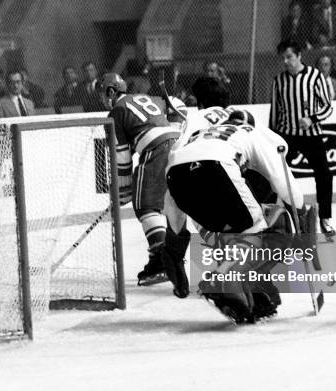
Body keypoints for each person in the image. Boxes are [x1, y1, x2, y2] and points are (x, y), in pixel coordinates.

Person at [165, 101, 312, 322]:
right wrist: (301, 218)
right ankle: (222, 277)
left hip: (177, 179)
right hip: (217, 167)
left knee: (235, 235)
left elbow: (171, 198)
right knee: (271, 229)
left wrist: (174, 250)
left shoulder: (201, 135)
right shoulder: (252, 133)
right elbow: (284, 182)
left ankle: (248, 288)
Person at [100, 72, 184, 291]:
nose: (102, 98)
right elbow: (178, 105)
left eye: (102, 93)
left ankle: (161, 260)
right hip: (178, 147)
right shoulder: (148, 98)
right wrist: (175, 131)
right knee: (169, 206)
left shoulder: (116, 111)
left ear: (111, 91)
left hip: (156, 150)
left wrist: (124, 191)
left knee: (146, 206)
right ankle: (168, 257)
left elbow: (122, 157)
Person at [270, 40, 335, 237]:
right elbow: (275, 111)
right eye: (283, 58)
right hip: (286, 135)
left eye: (289, 57)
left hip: (311, 135)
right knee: (275, 176)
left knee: (324, 174)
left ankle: (325, 218)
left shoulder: (315, 76)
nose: (286, 61)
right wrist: (272, 137)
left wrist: (311, 119)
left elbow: (327, 106)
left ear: (299, 56)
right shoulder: (278, 80)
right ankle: (276, 220)